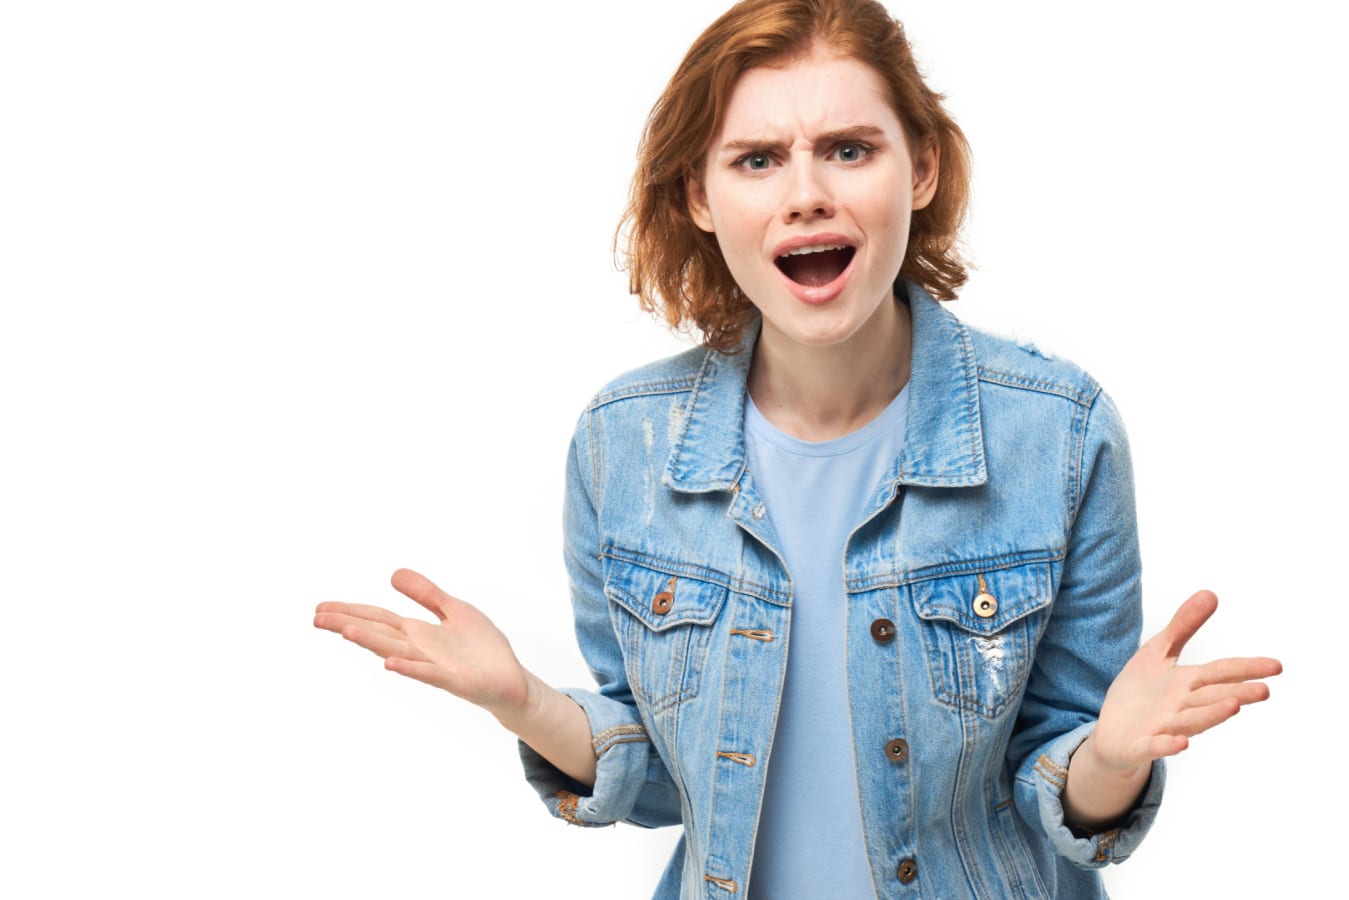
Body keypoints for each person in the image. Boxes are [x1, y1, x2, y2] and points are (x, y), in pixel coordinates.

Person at [312, 0, 1282, 896]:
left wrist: (1109, 759)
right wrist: (522, 700)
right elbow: (658, 782)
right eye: (757, 159)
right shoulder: (624, 445)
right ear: (697, 193)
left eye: (850, 149)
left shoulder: (1059, 435)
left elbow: (1064, 788)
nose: (806, 194)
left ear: (923, 168)